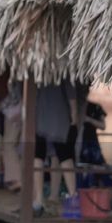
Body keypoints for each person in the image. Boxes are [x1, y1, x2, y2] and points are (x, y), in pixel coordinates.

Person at [33, 79, 78, 214]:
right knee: (65, 155)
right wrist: (74, 116)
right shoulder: (64, 69)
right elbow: (72, 96)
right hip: (59, 117)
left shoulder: (37, 67)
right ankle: (72, 196)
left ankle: (39, 199)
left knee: (39, 154)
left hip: (40, 115)